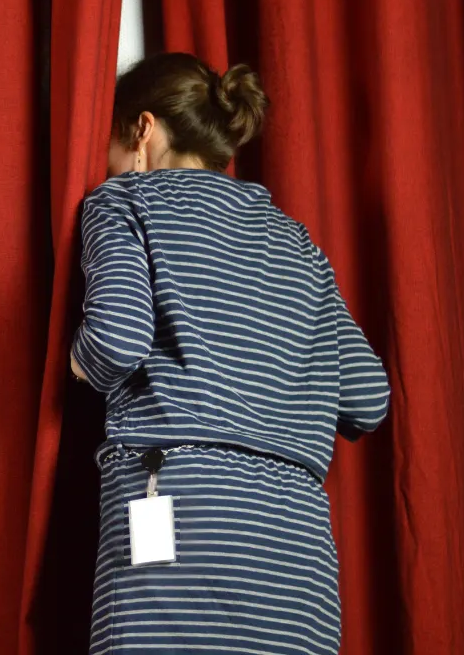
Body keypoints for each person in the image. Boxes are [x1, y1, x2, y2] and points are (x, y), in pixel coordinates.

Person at [69, 53, 390, 654]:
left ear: (142, 129)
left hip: (182, 518)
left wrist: (78, 360)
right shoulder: (295, 239)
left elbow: (116, 340)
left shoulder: (125, 203)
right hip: (299, 551)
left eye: (110, 147)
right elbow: (369, 400)